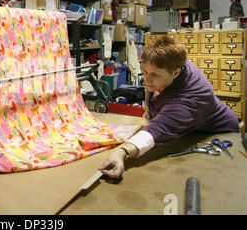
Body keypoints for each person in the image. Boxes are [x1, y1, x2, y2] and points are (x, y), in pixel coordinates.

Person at [99, 36, 239, 178]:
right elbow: (154, 87)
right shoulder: (173, 66)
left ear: (176, 72)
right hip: (190, 127)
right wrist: (150, 108)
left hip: (218, 133)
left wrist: (121, 152)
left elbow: (156, 131)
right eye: (145, 71)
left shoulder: (189, 100)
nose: (147, 79)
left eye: (154, 75)